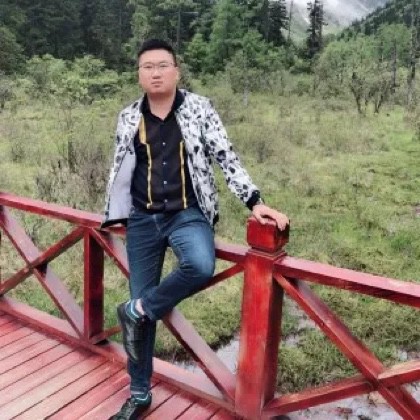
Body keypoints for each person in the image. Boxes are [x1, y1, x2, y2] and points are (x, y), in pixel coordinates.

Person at [102, 38, 289, 420]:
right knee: (142, 318)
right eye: (147, 67)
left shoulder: (199, 109)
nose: (155, 73)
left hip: (187, 213)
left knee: (199, 265)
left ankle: (137, 309)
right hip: (142, 219)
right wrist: (115, 211)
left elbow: (226, 156)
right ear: (139, 74)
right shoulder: (128, 116)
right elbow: (121, 167)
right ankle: (139, 393)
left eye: (162, 65)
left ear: (176, 71)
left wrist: (255, 201)